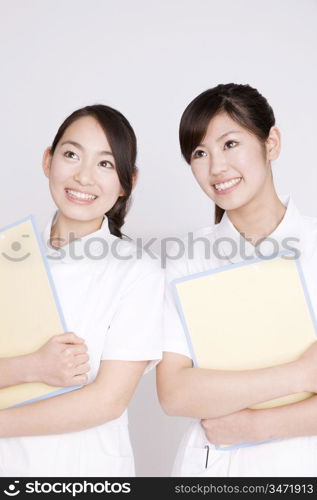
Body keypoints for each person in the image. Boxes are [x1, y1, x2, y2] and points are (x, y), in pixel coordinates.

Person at [157, 83, 317, 477]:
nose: (216, 168)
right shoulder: (188, 259)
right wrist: (300, 375)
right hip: (210, 468)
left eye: (230, 144)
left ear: (271, 142)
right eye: (199, 153)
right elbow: (174, 393)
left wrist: (257, 425)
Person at [0, 104, 163, 477]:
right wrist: (31, 367)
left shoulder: (137, 271)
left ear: (128, 181)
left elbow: (107, 401)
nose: (83, 177)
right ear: (48, 160)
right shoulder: (7, 253)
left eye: (105, 164)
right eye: (71, 154)